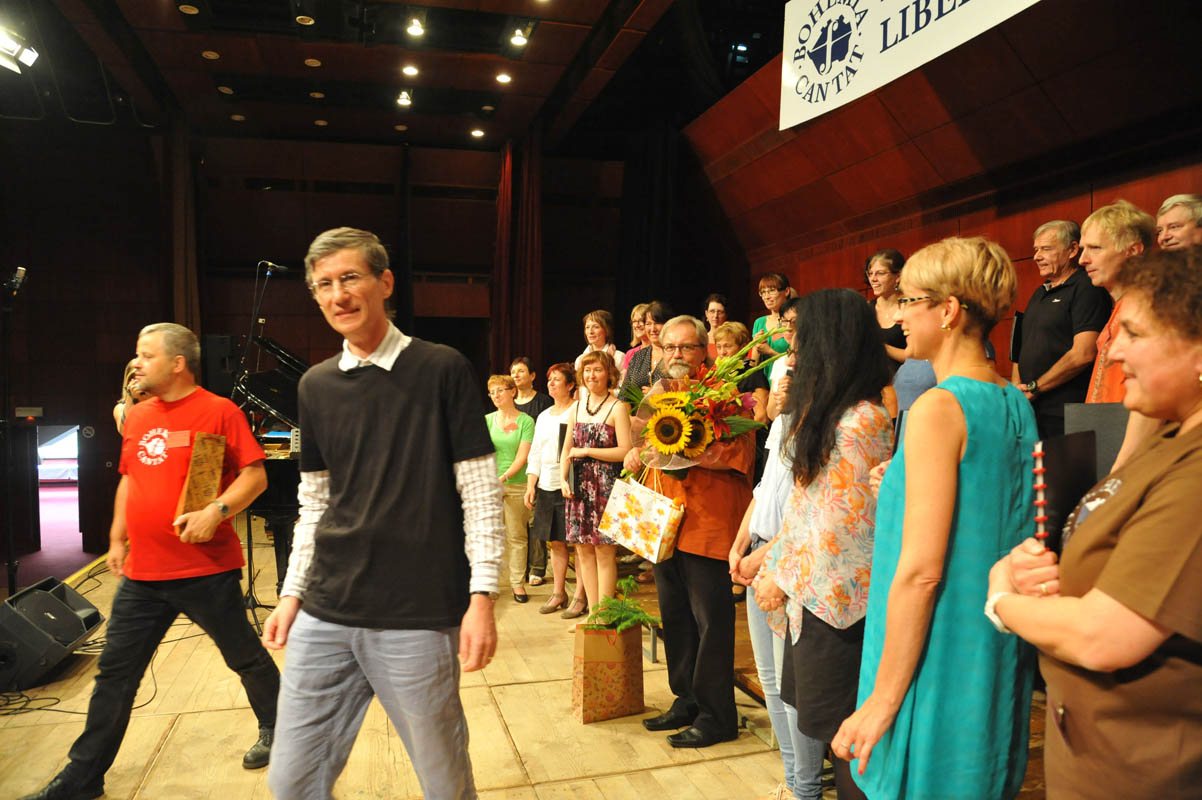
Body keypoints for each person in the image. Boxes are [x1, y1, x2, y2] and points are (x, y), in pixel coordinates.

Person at [261, 227, 504, 800]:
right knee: (291, 781)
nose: (338, 295)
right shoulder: (315, 386)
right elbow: (315, 503)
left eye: (350, 278)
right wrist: (292, 594)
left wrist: (482, 597)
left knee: (443, 780)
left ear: (385, 282)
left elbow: (479, 492)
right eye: (324, 285)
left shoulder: (442, 368)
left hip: (416, 614)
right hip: (326, 608)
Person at [22, 323, 280, 800]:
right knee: (115, 675)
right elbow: (130, 479)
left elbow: (255, 476)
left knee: (244, 656)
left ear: (178, 363)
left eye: (146, 355)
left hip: (206, 569)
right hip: (143, 574)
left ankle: (279, 728)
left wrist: (216, 511)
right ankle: (82, 778)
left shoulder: (218, 411)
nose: (136, 364)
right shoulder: (138, 417)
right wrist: (116, 538)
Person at [987, 246, 1202, 798]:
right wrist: (1035, 569)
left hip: (1147, 771)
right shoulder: (1169, 434)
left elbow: (1104, 637)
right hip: (1097, 753)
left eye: (1134, 333)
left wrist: (1001, 599)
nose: (1116, 350)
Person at [832, 237, 1038, 799]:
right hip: (991, 642)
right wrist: (898, 482)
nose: (898, 314)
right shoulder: (1013, 399)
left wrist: (882, 700)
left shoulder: (938, 407)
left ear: (947, 311)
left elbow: (922, 572)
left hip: (935, 647)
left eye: (908, 299)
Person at [753, 290, 893, 800]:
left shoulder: (861, 421)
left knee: (846, 740)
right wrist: (771, 562)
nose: (794, 350)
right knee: (829, 731)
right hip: (812, 594)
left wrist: (778, 575)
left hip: (838, 604)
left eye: (802, 338)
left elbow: (835, 530)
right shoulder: (834, 413)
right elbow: (803, 507)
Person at [626, 315, 754, 749]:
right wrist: (642, 450)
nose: (677, 354)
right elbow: (644, 441)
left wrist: (691, 449)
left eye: (686, 347)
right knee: (675, 617)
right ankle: (687, 700)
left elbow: (739, 455)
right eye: (670, 347)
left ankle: (718, 716)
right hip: (666, 522)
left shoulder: (726, 395)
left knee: (710, 622)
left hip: (709, 523)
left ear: (705, 351)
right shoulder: (660, 394)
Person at [1011, 220, 1112, 439]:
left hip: (1067, 414)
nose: (1037, 256)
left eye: (1046, 249)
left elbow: (1084, 352)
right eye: (1036, 250)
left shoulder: (1087, 287)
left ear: (1073, 250)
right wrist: (1017, 391)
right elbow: (1020, 351)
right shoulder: (1039, 293)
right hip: (1032, 410)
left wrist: (1035, 387)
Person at [1080, 200, 1158, 470]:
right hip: (1109, 441)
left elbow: (1151, 396)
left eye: (1095, 248)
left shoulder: (1148, 306)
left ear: (1133, 251)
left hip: (1131, 457)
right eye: (1083, 248)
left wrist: (1119, 471)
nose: (1082, 259)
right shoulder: (1123, 305)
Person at [561, 351, 631, 617]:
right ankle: (593, 614)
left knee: (604, 551)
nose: (592, 375)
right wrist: (563, 479)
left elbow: (625, 451)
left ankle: (605, 614)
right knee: (582, 550)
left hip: (605, 486)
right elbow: (566, 448)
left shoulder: (618, 407)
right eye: (588, 370)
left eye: (598, 370)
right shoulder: (576, 407)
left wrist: (588, 451)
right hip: (578, 486)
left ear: (609, 374)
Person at [524, 363, 588, 616]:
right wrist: (531, 484)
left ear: (571, 385)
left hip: (571, 483)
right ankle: (559, 592)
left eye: (557, 379)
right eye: (549, 379)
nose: (550, 383)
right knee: (556, 542)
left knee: (578, 544)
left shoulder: (578, 410)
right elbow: (535, 452)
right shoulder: (543, 415)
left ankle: (581, 596)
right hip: (547, 484)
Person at [486, 374, 536, 603]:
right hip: (490, 485)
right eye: (492, 392)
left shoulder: (526, 421)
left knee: (516, 536)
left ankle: (517, 583)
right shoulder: (487, 420)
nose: (495, 395)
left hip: (516, 483)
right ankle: (490, 584)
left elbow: (523, 456)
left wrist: (504, 477)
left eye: (500, 390)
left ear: (512, 392)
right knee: (491, 536)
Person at [511, 356, 551, 586]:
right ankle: (520, 568)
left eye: (521, 371)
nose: (516, 375)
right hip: (514, 466)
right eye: (513, 372)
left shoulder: (543, 402)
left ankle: (537, 567)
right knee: (517, 522)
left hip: (538, 465)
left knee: (536, 519)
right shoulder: (509, 402)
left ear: (533, 376)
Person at [712, 321, 769, 423]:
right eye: (719, 347)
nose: (722, 352)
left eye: (727, 346)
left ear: (743, 347)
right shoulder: (716, 375)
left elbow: (762, 418)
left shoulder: (753, 374)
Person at [620, 300, 672, 399]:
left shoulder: (676, 355)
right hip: (634, 409)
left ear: (668, 324)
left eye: (657, 323)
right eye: (648, 324)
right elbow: (624, 395)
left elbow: (686, 390)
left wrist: (660, 395)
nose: (653, 329)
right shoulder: (638, 356)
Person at [865, 250, 907, 368]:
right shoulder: (866, 308)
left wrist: (882, 347)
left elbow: (918, 357)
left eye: (880, 273)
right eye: (870, 273)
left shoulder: (911, 306)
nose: (873, 279)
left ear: (898, 276)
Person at [753, 273, 793, 358]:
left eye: (771, 291)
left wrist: (769, 351)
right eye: (763, 292)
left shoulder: (794, 320)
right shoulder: (759, 322)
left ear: (786, 291)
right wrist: (756, 346)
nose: (766, 297)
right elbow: (754, 362)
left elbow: (798, 361)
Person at [112, 358, 149, 435]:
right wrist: (131, 397)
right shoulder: (120, 408)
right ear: (129, 381)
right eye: (135, 377)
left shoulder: (158, 401)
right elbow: (124, 431)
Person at [621, 302, 650, 375]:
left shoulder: (659, 351)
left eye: (641, 320)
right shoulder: (630, 354)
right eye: (634, 321)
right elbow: (625, 380)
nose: (637, 325)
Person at [704, 292, 729, 359]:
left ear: (726, 315)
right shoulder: (701, 339)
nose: (715, 316)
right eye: (712, 311)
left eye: (720, 312)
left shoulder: (732, 339)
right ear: (706, 314)